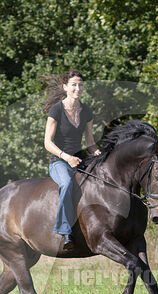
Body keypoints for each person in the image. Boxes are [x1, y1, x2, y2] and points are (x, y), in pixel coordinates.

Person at [44, 70, 101, 250]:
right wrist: (66, 157)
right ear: (65, 87)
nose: (78, 88)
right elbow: (47, 142)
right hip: (59, 161)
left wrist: (99, 154)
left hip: (79, 160)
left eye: (80, 85)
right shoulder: (56, 110)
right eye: (74, 85)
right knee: (67, 184)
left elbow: (90, 142)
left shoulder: (86, 112)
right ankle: (64, 231)